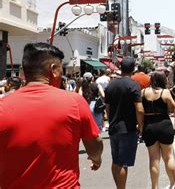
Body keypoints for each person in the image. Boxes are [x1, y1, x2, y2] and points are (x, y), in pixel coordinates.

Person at [0, 42, 103, 188]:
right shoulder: (74, 102)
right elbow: (94, 145)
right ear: (54, 69)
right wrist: (96, 158)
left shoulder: (2, 106)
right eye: (62, 68)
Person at [105, 57, 144, 189]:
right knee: (122, 163)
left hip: (114, 128)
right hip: (127, 129)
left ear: (121, 68)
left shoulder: (111, 84)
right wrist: (140, 125)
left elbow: (108, 108)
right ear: (133, 69)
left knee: (116, 161)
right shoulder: (133, 85)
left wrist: (111, 121)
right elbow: (139, 108)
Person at [142, 71, 175, 189]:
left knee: (153, 159)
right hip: (164, 125)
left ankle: (154, 187)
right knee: (168, 157)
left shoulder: (143, 92)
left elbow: (140, 110)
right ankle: (172, 184)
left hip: (149, 126)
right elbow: (173, 108)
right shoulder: (165, 92)